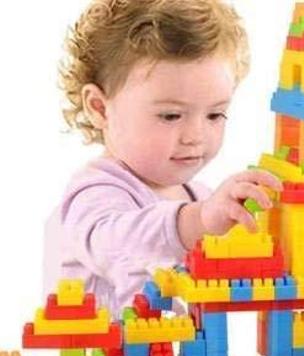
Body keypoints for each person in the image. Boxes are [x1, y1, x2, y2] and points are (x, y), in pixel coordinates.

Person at [44, 0, 281, 315]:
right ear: (100, 108)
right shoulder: (94, 193)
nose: (195, 135)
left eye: (215, 114)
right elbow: (117, 243)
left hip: (178, 343)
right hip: (106, 346)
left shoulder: (199, 198)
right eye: (171, 115)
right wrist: (199, 220)